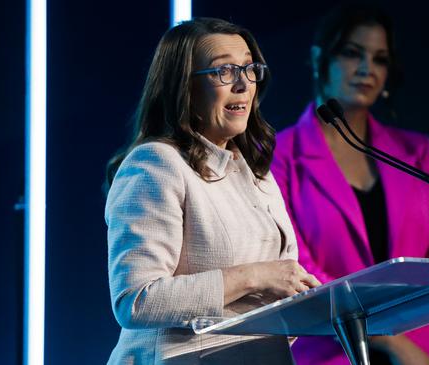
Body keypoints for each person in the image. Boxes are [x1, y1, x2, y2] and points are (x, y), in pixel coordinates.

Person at [104, 18, 321, 364]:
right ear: (183, 87)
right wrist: (254, 277)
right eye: (224, 72)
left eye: (250, 69)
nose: (243, 84)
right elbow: (136, 300)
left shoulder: (256, 173)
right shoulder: (155, 164)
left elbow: (277, 284)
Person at [271, 3, 429, 365]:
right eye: (351, 53)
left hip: (420, 350)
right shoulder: (279, 155)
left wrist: (400, 328)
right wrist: (385, 334)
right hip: (332, 349)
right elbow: (296, 267)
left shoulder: (416, 152)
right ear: (318, 59)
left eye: (379, 59)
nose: (366, 70)